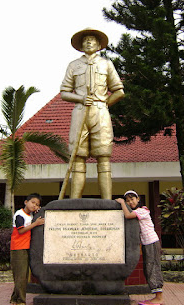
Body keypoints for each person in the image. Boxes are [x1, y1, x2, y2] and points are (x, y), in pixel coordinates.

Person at [60, 27, 124, 199]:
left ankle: (107, 201)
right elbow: (64, 92)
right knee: (78, 158)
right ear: (81, 45)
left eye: (92, 40)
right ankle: (74, 201)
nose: (89, 42)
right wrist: (80, 99)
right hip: (80, 112)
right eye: (85, 40)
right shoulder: (73, 65)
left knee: (103, 157)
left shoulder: (106, 64)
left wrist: (102, 104)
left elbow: (119, 91)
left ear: (98, 44)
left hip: (100, 113)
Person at [115, 190, 164, 305]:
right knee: (148, 268)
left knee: (153, 268)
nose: (130, 202)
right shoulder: (137, 211)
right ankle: (157, 296)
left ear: (138, 199)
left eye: (132, 199)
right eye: (127, 200)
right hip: (147, 244)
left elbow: (127, 215)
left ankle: (159, 297)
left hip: (151, 242)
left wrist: (121, 202)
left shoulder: (143, 210)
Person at [9, 193, 45, 305]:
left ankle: (14, 298)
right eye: (33, 202)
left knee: (23, 275)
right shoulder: (19, 214)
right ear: (26, 202)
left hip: (26, 247)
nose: (34, 205)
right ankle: (20, 301)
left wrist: (37, 213)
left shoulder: (30, 216)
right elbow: (21, 231)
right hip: (18, 248)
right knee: (20, 276)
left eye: (37, 204)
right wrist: (35, 223)